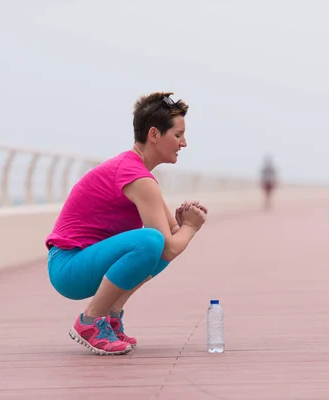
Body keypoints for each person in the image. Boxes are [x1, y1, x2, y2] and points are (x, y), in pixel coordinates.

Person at [45, 92, 208, 355]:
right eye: (178, 135)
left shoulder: (138, 173)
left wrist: (183, 223)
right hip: (68, 267)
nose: (184, 143)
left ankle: (110, 316)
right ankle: (89, 321)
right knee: (152, 241)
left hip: (81, 264)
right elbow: (168, 245)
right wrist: (191, 228)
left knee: (156, 241)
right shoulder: (136, 176)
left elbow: (172, 238)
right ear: (154, 135)